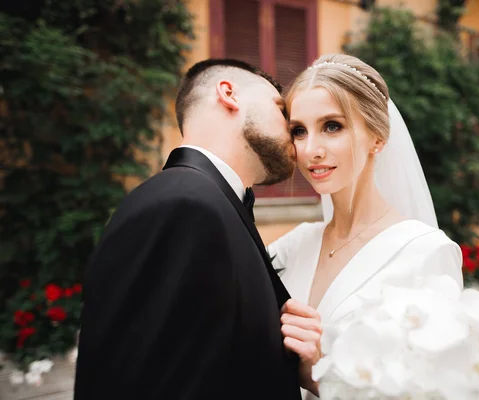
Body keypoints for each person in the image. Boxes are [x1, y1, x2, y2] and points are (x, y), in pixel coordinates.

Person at [74, 59, 321, 399]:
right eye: (280, 110)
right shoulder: (182, 206)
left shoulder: (209, 203)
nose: (293, 131)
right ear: (228, 93)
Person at [269, 54, 464, 399]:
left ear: (377, 137)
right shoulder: (292, 246)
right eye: (299, 131)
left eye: (332, 126)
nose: (310, 149)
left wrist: (320, 374)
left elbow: (436, 391)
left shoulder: (425, 253)